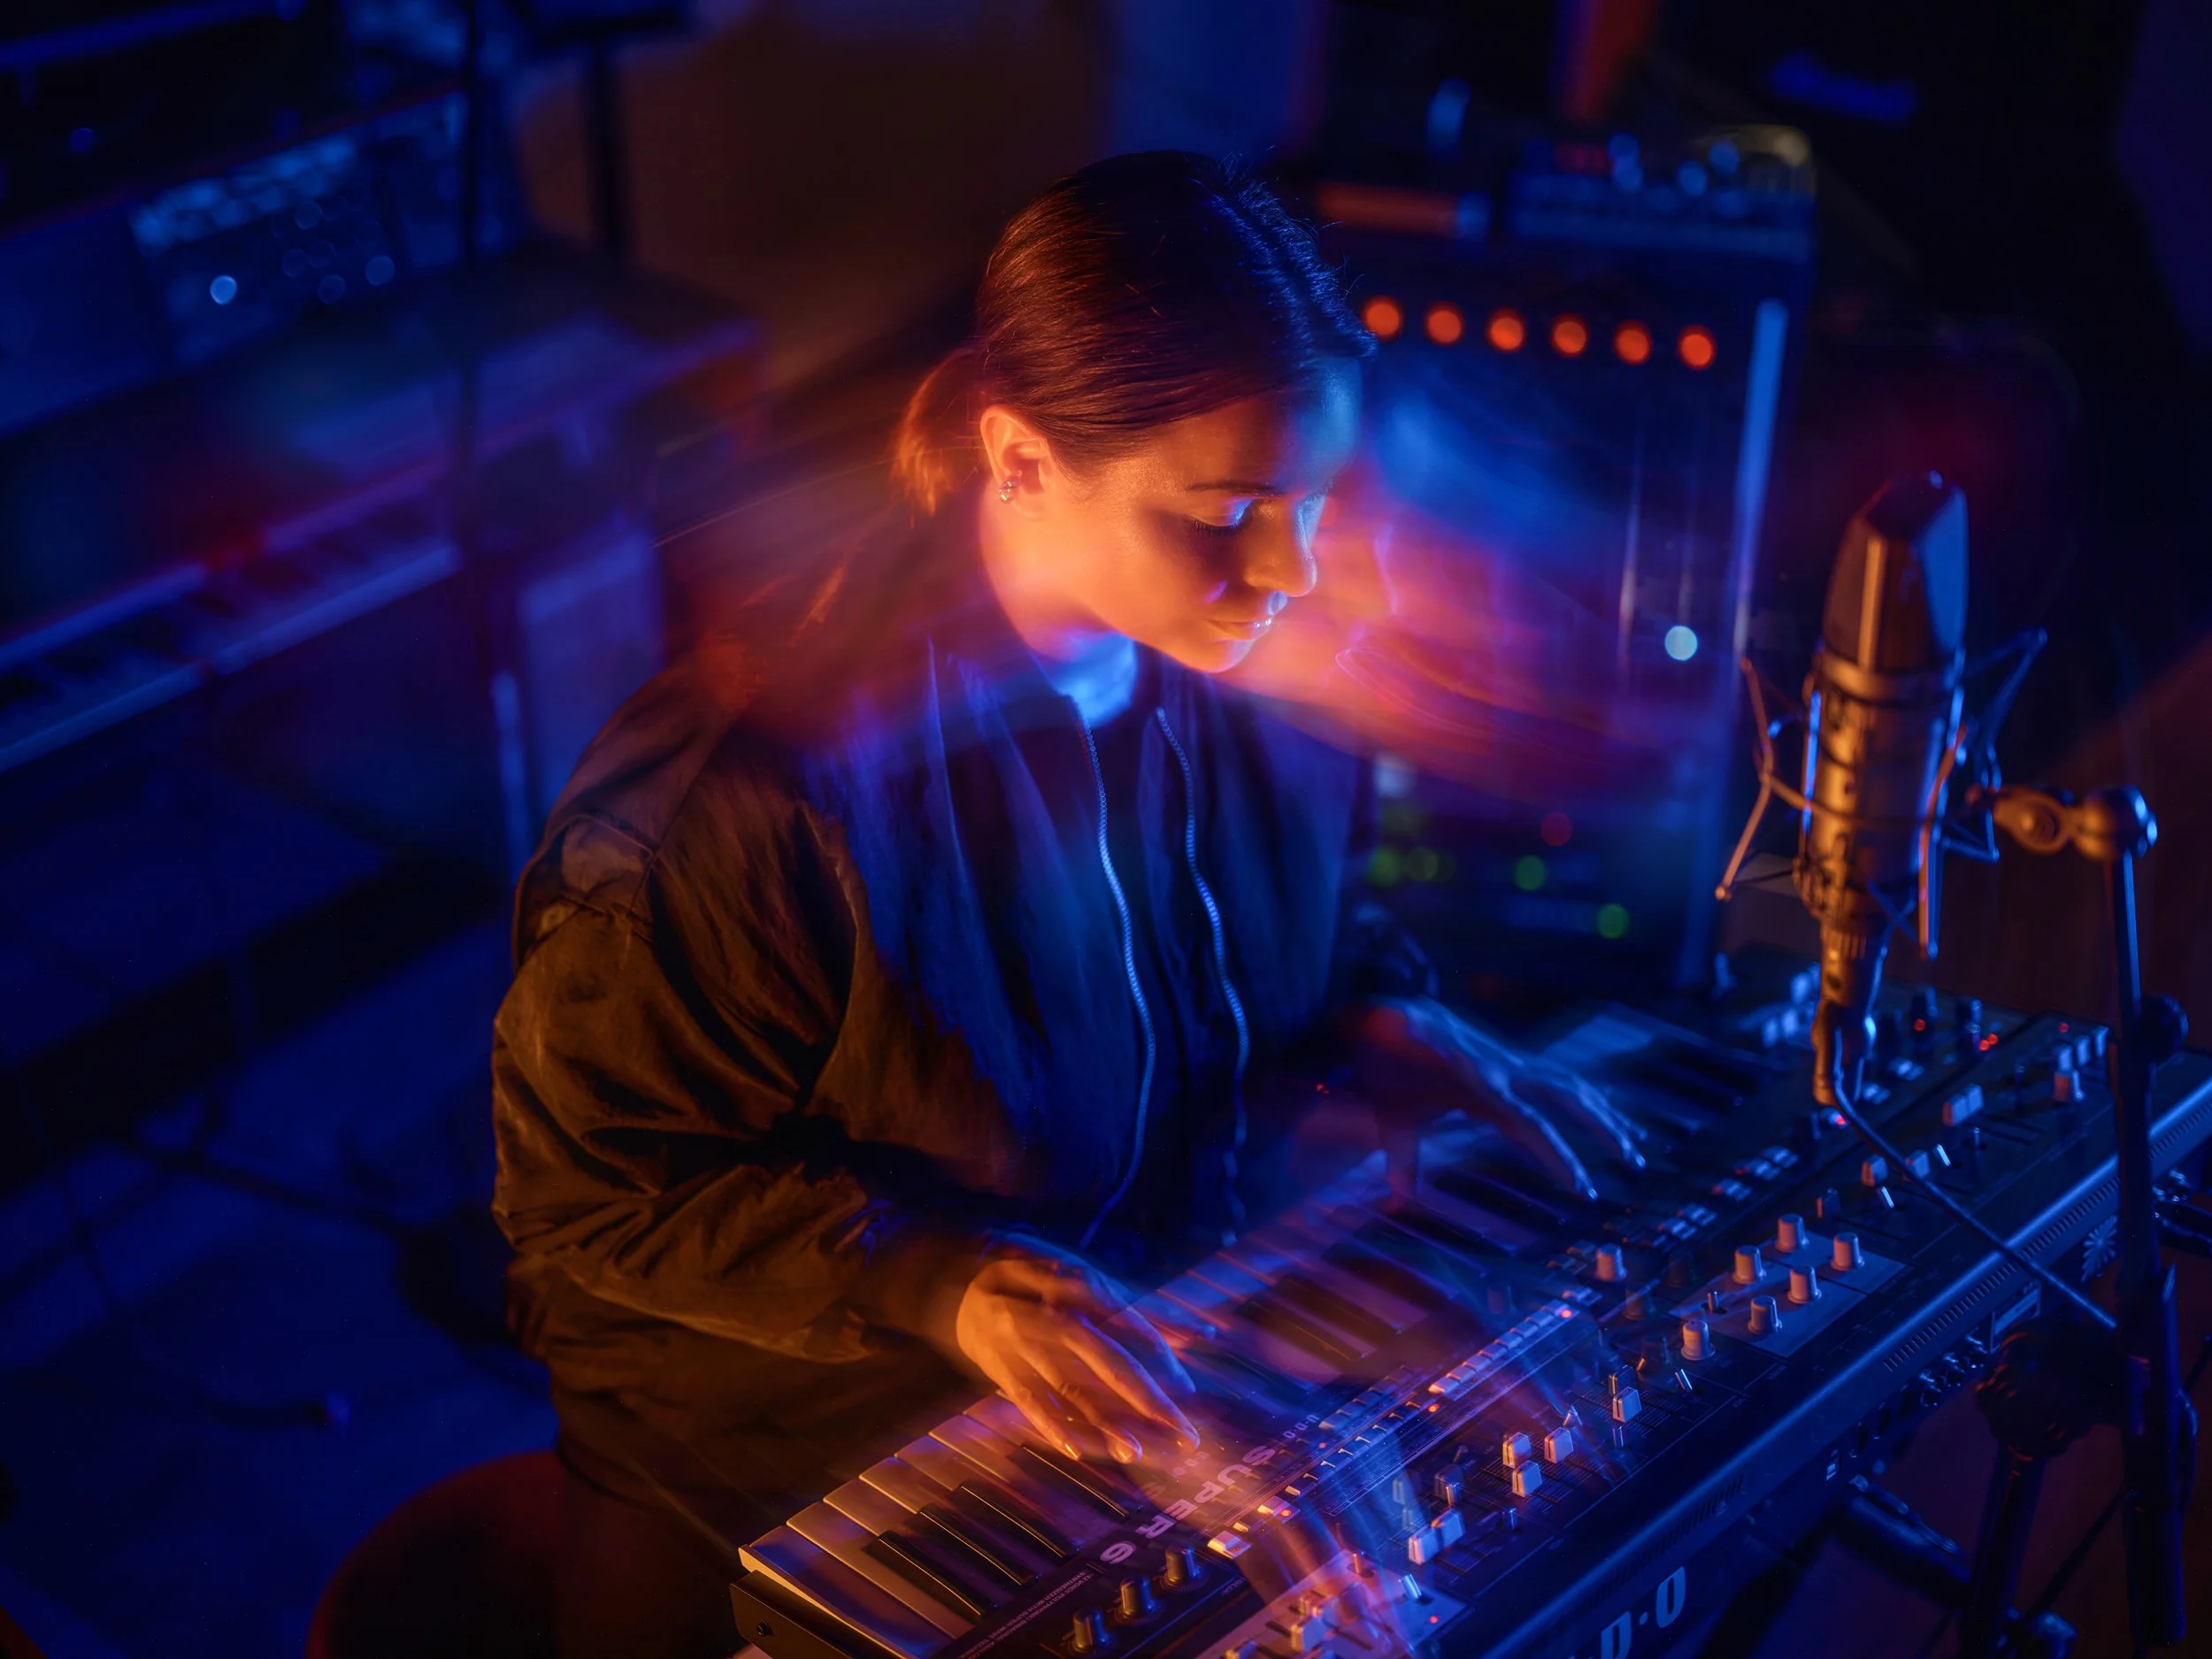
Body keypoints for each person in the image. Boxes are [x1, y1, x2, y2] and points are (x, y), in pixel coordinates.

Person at [490, 151, 1642, 1659]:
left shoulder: (1251, 672)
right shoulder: (745, 797)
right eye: (1227, 508)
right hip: (791, 1476)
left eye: (1307, 501)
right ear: (1018, 458)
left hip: (1142, 1364)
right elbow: (586, 1201)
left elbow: (1271, 941)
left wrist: (1382, 1012)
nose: (1291, 568)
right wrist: (937, 1281)